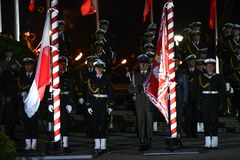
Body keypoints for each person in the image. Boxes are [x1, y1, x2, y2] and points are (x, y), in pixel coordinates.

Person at [85, 59, 114, 153]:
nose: (98, 69)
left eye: (100, 67)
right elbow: (88, 93)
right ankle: (97, 144)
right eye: (96, 67)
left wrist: (110, 105)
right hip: (94, 103)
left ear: (103, 68)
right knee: (95, 124)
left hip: (103, 103)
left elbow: (110, 92)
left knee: (103, 124)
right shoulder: (91, 80)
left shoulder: (107, 79)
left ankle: (103, 145)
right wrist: (88, 105)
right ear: (94, 68)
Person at [48, 56, 75, 152]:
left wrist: (70, 103)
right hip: (56, 100)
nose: (62, 65)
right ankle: (56, 142)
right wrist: (50, 102)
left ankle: (65, 144)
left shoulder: (69, 75)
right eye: (60, 63)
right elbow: (50, 90)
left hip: (65, 100)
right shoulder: (53, 75)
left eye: (64, 64)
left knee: (65, 122)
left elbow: (72, 90)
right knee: (54, 123)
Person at [128, 54, 153, 151]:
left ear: (148, 65)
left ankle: (149, 141)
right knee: (141, 122)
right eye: (141, 63)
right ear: (139, 64)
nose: (143, 65)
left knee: (149, 122)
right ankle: (142, 142)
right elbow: (129, 89)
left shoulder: (151, 75)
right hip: (139, 102)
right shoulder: (135, 76)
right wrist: (137, 89)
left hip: (149, 101)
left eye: (145, 63)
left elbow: (156, 88)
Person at [199, 58, 225, 149]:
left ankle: (214, 143)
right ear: (205, 67)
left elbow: (222, 91)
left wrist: (221, 103)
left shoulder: (219, 77)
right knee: (206, 121)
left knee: (214, 122)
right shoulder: (201, 77)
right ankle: (207, 143)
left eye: (211, 66)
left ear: (214, 67)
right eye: (208, 66)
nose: (210, 67)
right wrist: (199, 103)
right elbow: (197, 91)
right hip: (205, 100)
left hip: (214, 100)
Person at [18, 57, 37, 150]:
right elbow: (19, 87)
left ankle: (34, 144)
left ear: (33, 65)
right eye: (26, 65)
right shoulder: (21, 76)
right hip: (24, 103)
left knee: (33, 123)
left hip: (34, 103)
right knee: (26, 124)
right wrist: (21, 93)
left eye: (29, 64)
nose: (28, 66)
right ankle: (27, 143)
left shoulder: (36, 76)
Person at [0, 59, 21, 140]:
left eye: (15, 65)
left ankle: (13, 135)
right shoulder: (5, 73)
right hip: (8, 98)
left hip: (16, 97)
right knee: (8, 116)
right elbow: (2, 86)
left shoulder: (17, 73)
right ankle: (7, 135)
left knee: (15, 117)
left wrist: (20, 66)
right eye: (13, 65)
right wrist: (6, 96)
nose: (14, 66)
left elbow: (23, 74)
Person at [184, 54, 201, 138]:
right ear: (188, 62)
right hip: (187, 97)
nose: (193, 62)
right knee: (188, 115)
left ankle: (194, 132)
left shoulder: (198, 73)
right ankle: (188, 132)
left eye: (194, 61)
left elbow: (200, 85)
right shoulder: (184, 72)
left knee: (195, 115)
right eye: (191, 61)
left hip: (195, 97)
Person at [175, 54, 189, 145]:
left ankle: (178, 138)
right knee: (170, 121)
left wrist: (184, 100)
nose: (174, 62)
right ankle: (172, 137)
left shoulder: (182, 72)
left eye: (176, 60)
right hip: (169, 99)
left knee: (179, 120)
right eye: (173, 60)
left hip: (179, 99)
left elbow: (185, 88)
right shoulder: (167, 72)